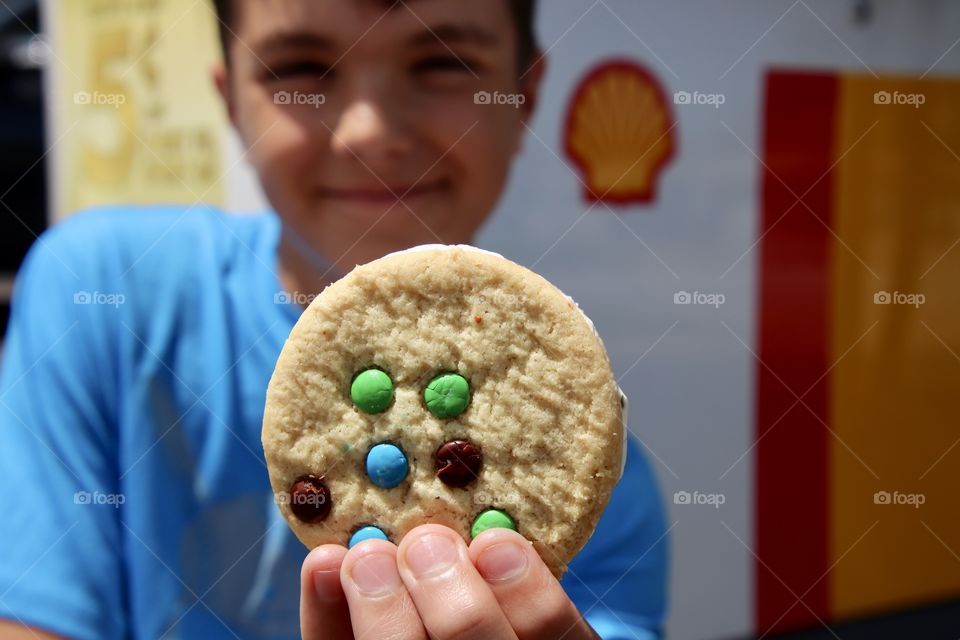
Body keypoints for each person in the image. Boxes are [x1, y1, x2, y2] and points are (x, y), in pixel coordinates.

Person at [0, 1, 668, 638]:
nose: (369, 131)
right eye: (300, 70)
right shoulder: (104, 289)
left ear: (523, 94)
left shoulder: (596, 487)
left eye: (442, 62)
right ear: (229, 98)